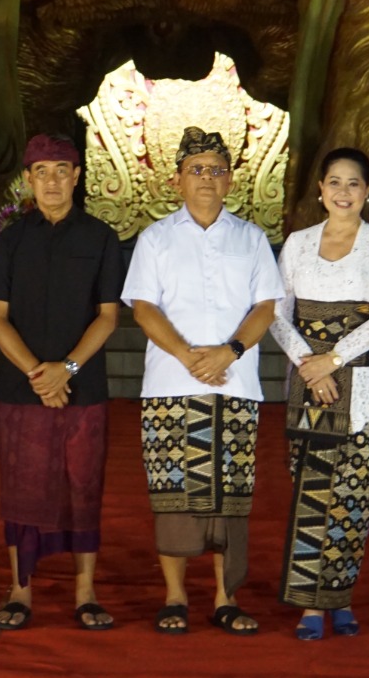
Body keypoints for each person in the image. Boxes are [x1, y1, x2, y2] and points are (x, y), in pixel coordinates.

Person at [121, 126, 285, 636]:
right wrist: (187, 356)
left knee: (229, 497)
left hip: (235, 384)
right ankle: (175, 596)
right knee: (172, 493)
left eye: (216, 170)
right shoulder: (156, 238)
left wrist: (228, 351)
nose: (207, 179)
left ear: (230, 180)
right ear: (177, 180)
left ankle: (224, 597)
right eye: (197, 170)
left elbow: (266, 307)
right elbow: (143, 307)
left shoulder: (250, 238)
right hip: (170, 384)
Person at [0, 134, 124, 631]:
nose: (52, 181)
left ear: (77, 176)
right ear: (28, 179)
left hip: (83, 388)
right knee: (22, 489)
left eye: (61, 171)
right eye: (41, 172)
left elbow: (108, 317)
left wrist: (68, 369)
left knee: (83, 487)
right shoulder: (12, 240)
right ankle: (20, 590)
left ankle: (86, 593)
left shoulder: (101, 238)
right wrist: (38, 374)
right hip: (23, 389)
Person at [267, 148, 369, 641]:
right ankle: (309, 605)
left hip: (366, 389)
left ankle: (340, 597)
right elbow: (276, 312)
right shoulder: (298, 243)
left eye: (353, 183)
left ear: (368, 191)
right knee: (311, 494)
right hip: (310, 387)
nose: (343, 192)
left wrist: (335, 359)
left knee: (353, 496)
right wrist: (311, 366)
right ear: (321, 189)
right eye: (334, 182)